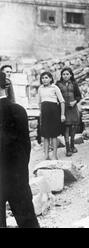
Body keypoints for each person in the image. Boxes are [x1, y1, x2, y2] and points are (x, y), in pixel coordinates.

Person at [0, 72, 40, 228]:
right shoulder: (18, 110)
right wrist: (21, 168)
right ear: (6, 86)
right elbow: (26, 146)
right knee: (27, 218)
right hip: (17, 173)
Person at [38, 72, 65, 160]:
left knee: (53, 134)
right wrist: (41, 112)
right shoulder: (40, 88)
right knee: (45, 134)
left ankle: (54, 155)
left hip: (54, 113)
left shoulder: (55, 87)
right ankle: (46, 155)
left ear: (50, 79)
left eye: (46, 77)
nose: (44, 80)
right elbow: (39, 102)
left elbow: (62, 101)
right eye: (42, 78)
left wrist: (62, 114)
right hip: (44, 113)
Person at [56, 68, 82, 157]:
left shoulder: (74, 84)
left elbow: (79, 96)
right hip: (63, 108)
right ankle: (67, 149)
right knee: (66, 128)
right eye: (63, 74)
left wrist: (74, 102)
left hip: (73, 108)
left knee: (73, 127)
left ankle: (72, 145)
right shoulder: (58, 85)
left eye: (67, 74)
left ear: (71, 75)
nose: (65, 76)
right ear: (61, 75)